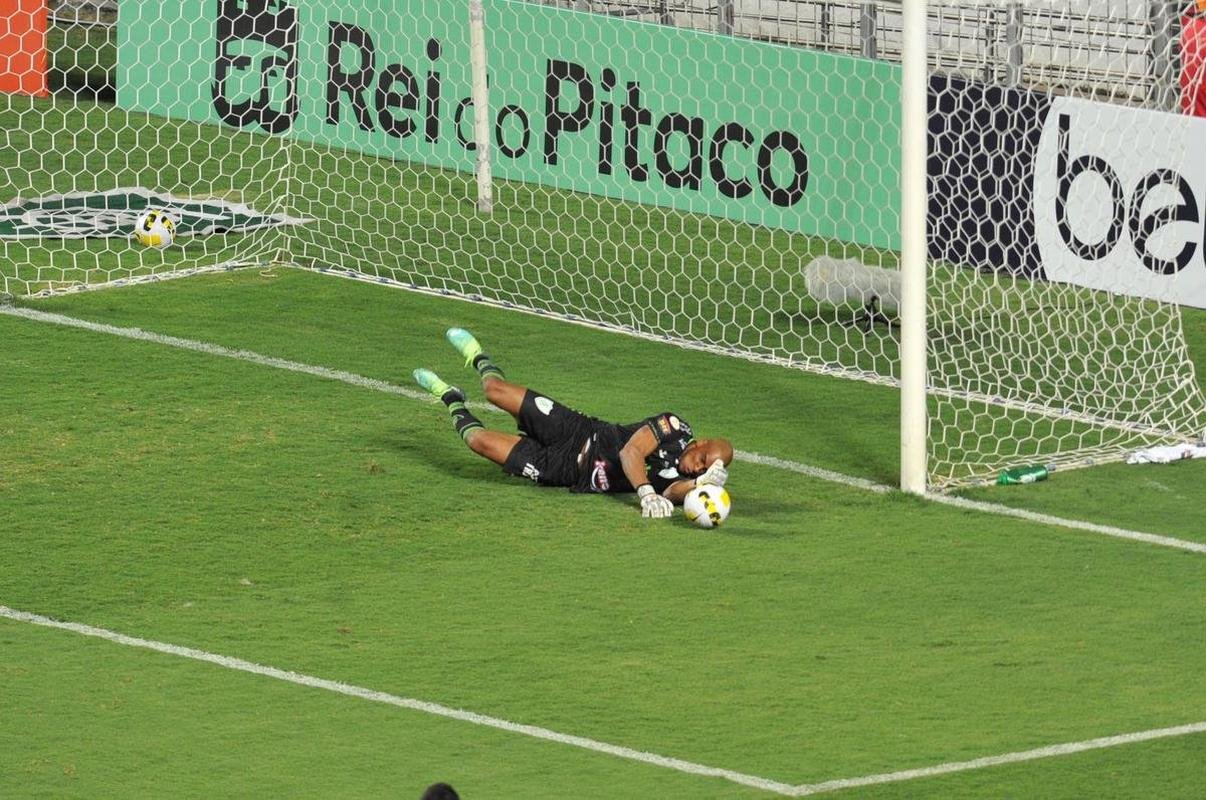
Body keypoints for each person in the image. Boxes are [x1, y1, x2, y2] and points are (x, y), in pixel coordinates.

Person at [413, 328, 733, 518]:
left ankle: (449, 396)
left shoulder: (686, 478)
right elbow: (631, 452)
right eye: (701, 460)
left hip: (564, 470)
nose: (696, 467)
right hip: (576, 429)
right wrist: (646, 493)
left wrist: (700, 486)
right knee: (493, 390)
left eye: (703, 469)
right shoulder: (674, 427)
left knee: (478, 442)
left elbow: (676, 492)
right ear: (700, 442)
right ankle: (478, 356)